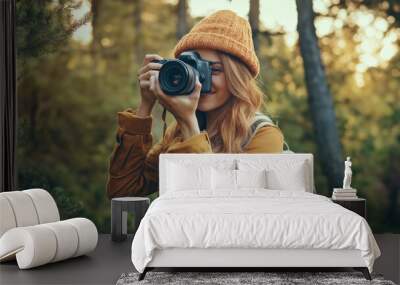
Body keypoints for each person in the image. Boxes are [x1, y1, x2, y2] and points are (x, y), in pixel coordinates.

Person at [106, 10, 285, 199]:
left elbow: (219, 209)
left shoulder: (263, 135)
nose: (199, 81)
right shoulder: (178, 131)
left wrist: (188, 122)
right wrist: (145, 105)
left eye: (213, 70)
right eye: (193, 69)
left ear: (237, 78)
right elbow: (123, 190)